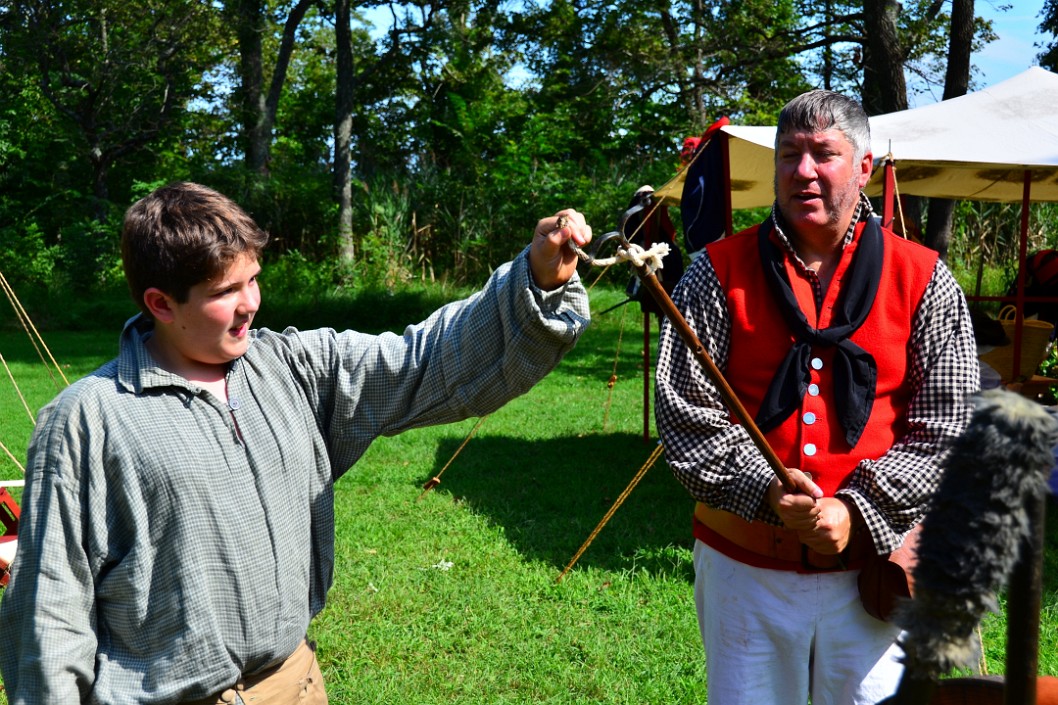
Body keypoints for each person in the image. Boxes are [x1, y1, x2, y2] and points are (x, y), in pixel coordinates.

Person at [0, 182, 592, 704]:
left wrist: (535, 279)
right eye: (225, 292)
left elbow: (426, 361)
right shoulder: (88, 419)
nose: (251, 304)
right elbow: (49, 615)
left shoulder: (295, 370)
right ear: (160, 303)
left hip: (295, 685)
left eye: (253, 279)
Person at [654, 90, 980, 704]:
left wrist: (853, 510)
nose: (804, 171)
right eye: (790, 155)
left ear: (863, 167)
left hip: (871, 572)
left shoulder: (923, 278)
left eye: (824, 154)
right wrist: (766, 491)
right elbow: (683, 413)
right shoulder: (714, 273)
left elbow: (948, 428)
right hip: (742, 570)